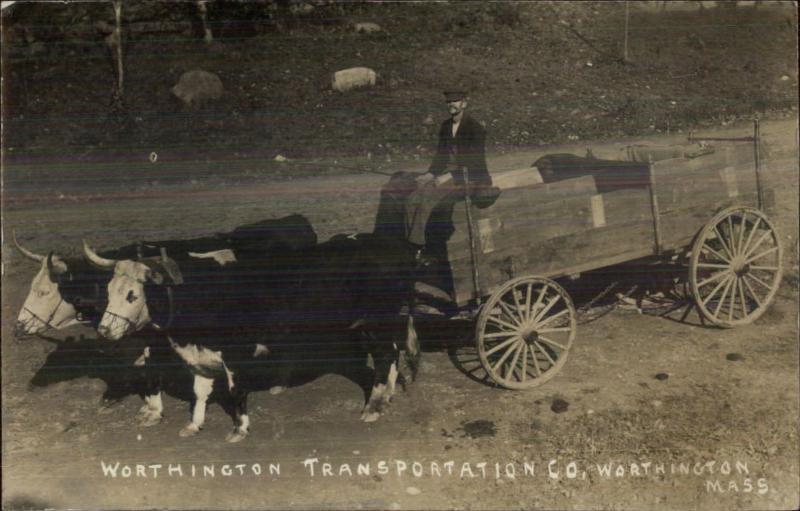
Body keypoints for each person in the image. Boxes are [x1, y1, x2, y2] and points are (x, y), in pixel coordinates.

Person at [404, 89, 498, 256]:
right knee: (412, 199)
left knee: (427, 200)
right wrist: (430, 174)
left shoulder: (475, 128)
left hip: (469, 176)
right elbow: (441, 155)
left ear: (464, 103)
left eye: (455, 102)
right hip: (448, 174)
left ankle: (419, 248)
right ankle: (411, 243)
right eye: (448, 102)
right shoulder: (446, 126)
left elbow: (475, 163)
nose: (451, 105)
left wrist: (449, 176)